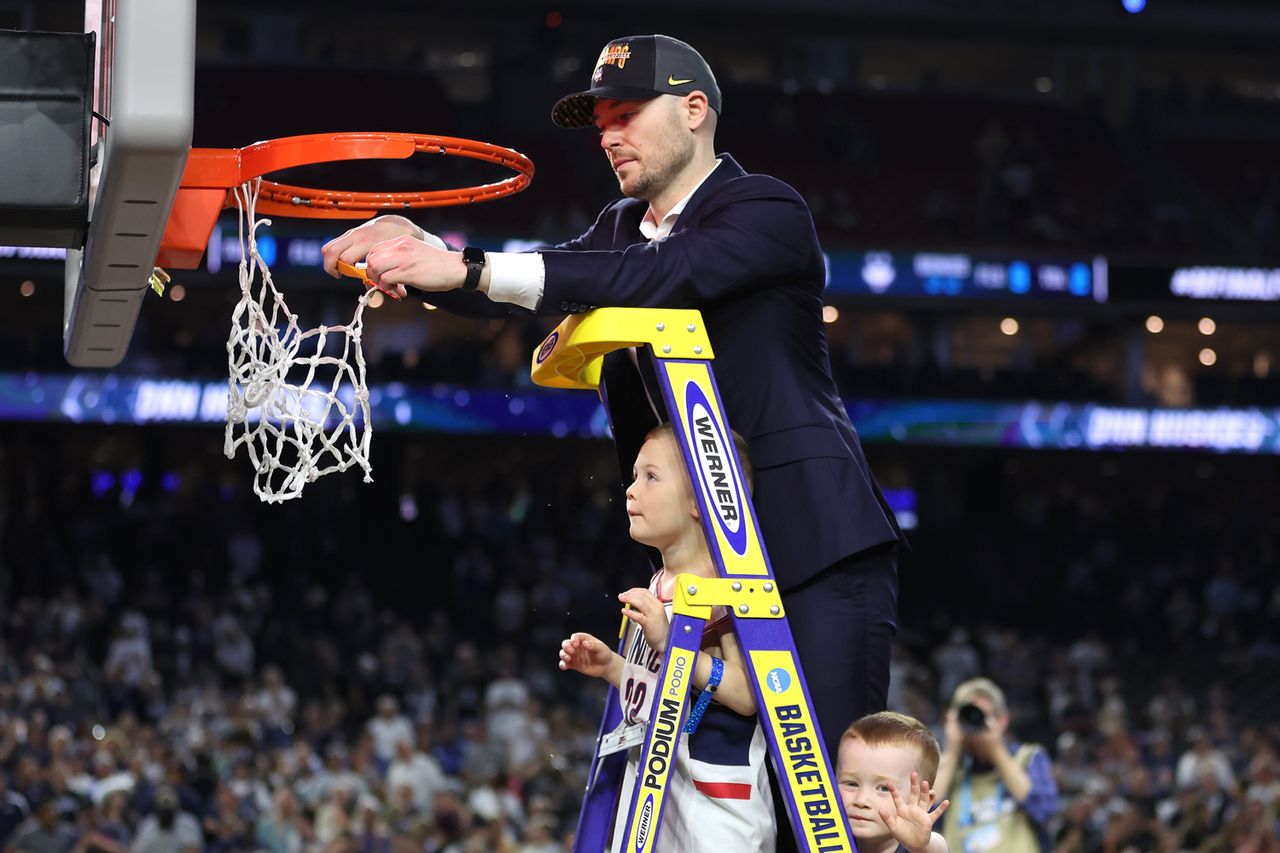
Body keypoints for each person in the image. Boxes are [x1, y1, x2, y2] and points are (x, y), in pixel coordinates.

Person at [321, 32, 903, 767]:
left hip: (811, 545)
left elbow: (657, 277)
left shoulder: (766, 207)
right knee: (723, 809)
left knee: (831, 801)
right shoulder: (622, 228)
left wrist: (465, 264)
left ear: (695, 110)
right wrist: (428, 252)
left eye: (626, 112)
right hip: (708, 562)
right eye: (600, 122)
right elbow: (550, 285)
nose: (608, 135)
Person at [557, 424, 774, 852]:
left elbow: (750, 693)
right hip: (657, 799)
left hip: (715, 811)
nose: (631, 491)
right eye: (634, 476)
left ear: (701, 500)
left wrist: (673, 642)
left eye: (651, 477)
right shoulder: (657, 582)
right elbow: (665, 692)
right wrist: (614, 668)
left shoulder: (729, 584)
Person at [932, 678, 1059, 853]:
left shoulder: (1028, 757)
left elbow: (1044, 809)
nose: (976, 723)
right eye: (968, 715)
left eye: (982, 716)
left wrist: (996, 749)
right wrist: (952, 749)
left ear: (1003, 720)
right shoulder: (951, 769)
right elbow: (926, 817)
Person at [836, 711, 951, 853]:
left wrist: (923, 847)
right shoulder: (820, 838)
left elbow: (938, 846)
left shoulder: (920, 845)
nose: (861, 801)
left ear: (924, 800)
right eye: (851, 784)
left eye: (884, 788)